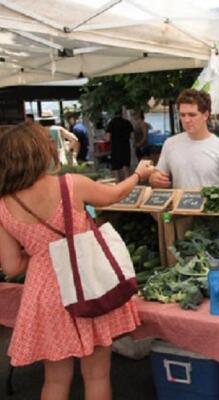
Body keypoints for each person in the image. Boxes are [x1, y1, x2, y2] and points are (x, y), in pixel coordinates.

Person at [0, 122, 154, 400]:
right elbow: (115, 194)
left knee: (55, 381)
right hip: (86, 284)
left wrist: (41, 251)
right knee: (97, 375)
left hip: (43, 296)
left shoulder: (3, 205)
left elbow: (11, 267)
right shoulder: (70, 185)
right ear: (40, 151)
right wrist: (139, 175)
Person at [149, 89, 219, 193]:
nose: (186, 120)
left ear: (205, 115)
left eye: (192, 115)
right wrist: (154, 179)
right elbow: (157, 176)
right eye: (182, 115)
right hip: (178, 207)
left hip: (209, 208)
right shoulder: (170, 144)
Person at [106, 110, 134, 181]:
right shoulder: (127, 122)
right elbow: (132, 136)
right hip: (126, 147)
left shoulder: (111, 123)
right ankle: (128, 182)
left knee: (116, 168)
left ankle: (117, 183)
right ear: (121, 113)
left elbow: (108, 138)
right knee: (126, 166)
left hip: (115, 148)